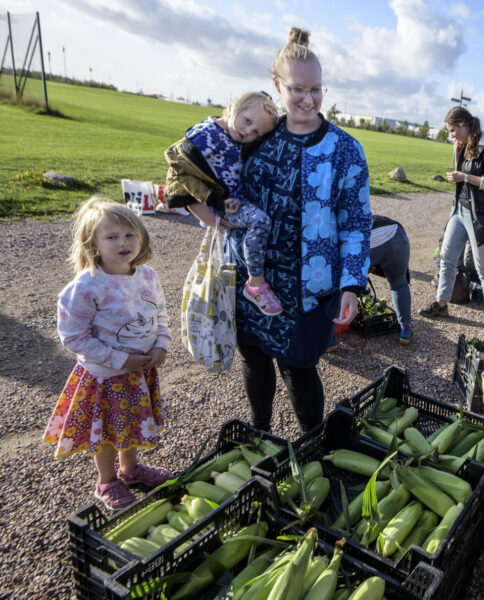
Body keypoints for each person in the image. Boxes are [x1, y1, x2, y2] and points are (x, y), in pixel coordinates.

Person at [226, 27, 371, 434]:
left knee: (298, 368)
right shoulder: (256, 141)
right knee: (253, 359)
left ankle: (312, 441)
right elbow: (218, 187)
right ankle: (260, 433)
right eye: (297, 90)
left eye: (316, 90)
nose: (308, 99)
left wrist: (351, 284)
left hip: (308, 289)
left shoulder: (345, 150)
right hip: (252, 283)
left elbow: (357, 223)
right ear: (277, 86)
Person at [43, 197, 171, 510]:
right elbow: (73, 337)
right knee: (107, 433)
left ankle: (130, 471)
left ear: (141, 237)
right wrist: (120, 360)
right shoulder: (86, 286)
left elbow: (161, 314)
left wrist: (161, 345)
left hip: (138, 372)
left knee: (129, 425)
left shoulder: (148, 276)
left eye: (129, 234)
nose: (123, 242)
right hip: (105, 377)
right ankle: (107, 481)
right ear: (93, 244)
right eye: (111, 237)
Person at [164, 91, 283, 316]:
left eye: (255, 132)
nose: (247, 131)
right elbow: (179, 168)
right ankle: (256, 282)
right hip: (223, 204)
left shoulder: (230, 133)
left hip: (231, 200)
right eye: (247, 121)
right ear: (232, 108)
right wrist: (209, 206)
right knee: (260, 221)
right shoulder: (206, 135)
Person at [418, 107, 484, 337]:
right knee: (447, 257)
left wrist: (465, 178)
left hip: (480, 217)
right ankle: (441, 303)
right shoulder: (466, 144)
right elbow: (461, 173)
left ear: (464, 124)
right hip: (460, 210)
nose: (452, 135)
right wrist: (457, 154)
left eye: (453, 131)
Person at [327, 214, 412, 350]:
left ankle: (331, 339)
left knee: (340, 287)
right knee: (398, 284)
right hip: (397, 234)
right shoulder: (362, 214)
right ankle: (405, 331)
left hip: (368, 244)